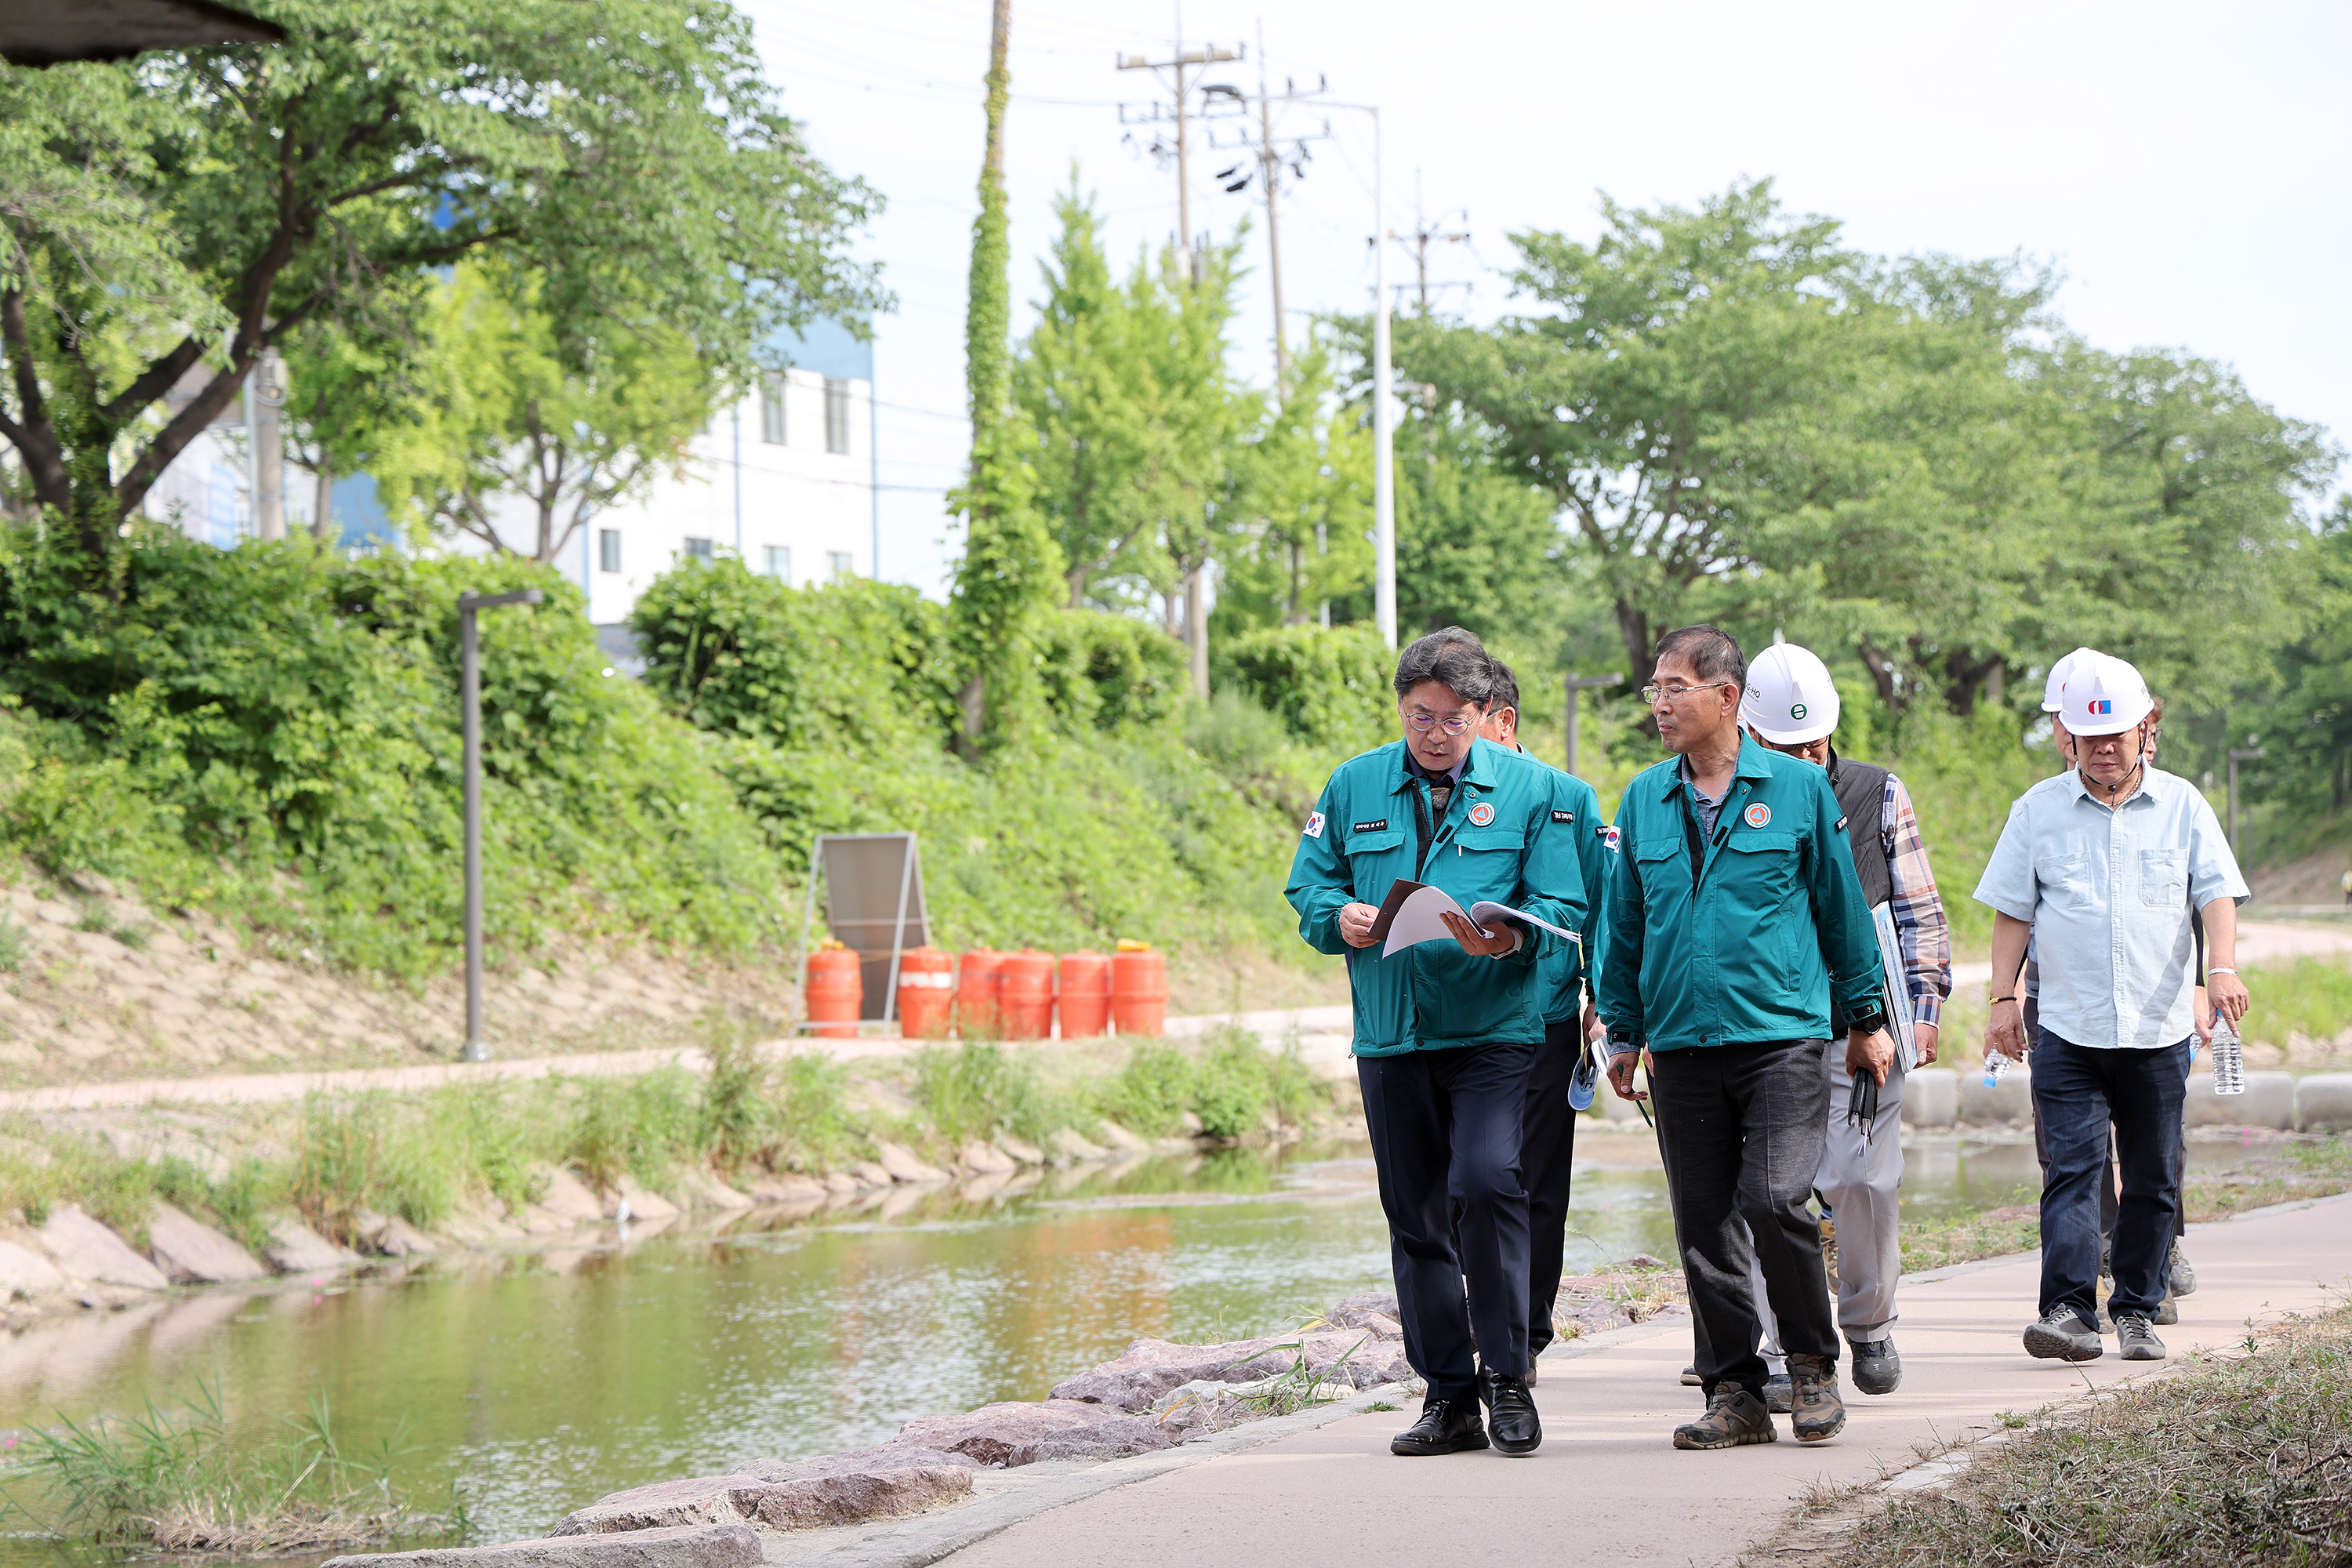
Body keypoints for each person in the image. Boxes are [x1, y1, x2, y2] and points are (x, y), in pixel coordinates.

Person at [1287, 627, 1589, 1457]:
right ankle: (1448, 1398)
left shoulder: (1535, 790)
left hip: (1493, 1030)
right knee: (1416, 1214)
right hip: (1392, 1035)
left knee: (1489, 1184)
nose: (1435, 733)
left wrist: (1511, 936)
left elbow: (1564, 905)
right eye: (1420, 715)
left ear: (1486, 714)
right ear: (1401, 708)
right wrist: (1339, 915)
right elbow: (1309, 886)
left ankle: (1508, 1377)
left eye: (1454, 719)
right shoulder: (1354, 783)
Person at [1597, 625, 1889, 1450]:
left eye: (1675, 688)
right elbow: (1624, 922)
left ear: (1727, 697)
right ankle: (1734, 1391)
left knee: (1772, 1197)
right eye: (1654, 689)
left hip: (1780, 1036)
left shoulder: (1796, 790)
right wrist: (1623, 1030)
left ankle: (1812, 1366)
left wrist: (1866, 1019)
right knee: (1703, 1219)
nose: (1659, 704)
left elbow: (1841, 910)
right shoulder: (1644, 798)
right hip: (1681, 1042)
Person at [1976, 652, 2250, 1363]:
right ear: (2068, 736)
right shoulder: (2036, 811)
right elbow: (2012, 913)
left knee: (2154, 1178)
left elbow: (2215, 894)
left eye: (2117, 736)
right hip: (2069, 1029)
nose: (2103, 749)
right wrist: (2003, 999)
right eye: (2089, 737)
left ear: (2144, 731)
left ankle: (2136, 1309)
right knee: (2071, 1172)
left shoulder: (2184, 805)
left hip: (2158, 1032)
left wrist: (2220, 969)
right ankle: (2068, 1311)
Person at [1733, 642, 1952, 1404]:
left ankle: (1869, 1322)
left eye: (1814, 744)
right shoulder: (1719, 796)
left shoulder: (1877, 792)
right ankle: (1780, 1347)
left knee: (1862, 1178)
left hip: (1864, 1029)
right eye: (1786, 746)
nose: (1805, 758)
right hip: (1761, 1029)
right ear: (1750, 733)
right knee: (1766, 1194)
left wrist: (1921, 1010)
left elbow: (1919, 907)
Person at [1476, 660, 1612, 1374]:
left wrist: (1604, 1003)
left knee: (1532, 1182)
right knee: (1464, 1180)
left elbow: (1606, 909)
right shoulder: (1430, 791)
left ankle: (1523, 1335)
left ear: (1503, 721)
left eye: (1464, 720)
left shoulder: (1567, 797)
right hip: (1451, 1027)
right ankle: (1481, 1322)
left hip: (1544, 1018)